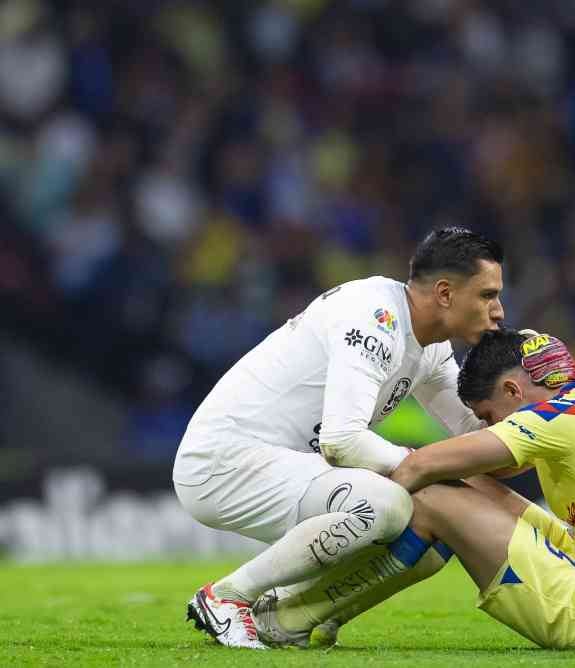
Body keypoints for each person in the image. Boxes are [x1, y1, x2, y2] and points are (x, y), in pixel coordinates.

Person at [174, 227, 505, 648]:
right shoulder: (374, 317)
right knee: (384, 504)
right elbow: (342, 441)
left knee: (439, 525)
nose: (498, 310)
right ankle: (224, 597)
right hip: (225, 459)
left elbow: (480, 441)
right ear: (444, 293)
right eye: (487, 295)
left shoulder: (431, 346)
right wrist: (420, 465)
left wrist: (538, 415)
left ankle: (287, 616)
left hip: (285, 464)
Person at [258, 329, 575, 650]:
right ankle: (323, 614)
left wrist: (359, 507)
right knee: (461, 485)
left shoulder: (556, 418)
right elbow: (488, 470)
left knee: (429, 492)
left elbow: (423, 467)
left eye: (487, 415)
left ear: (514, 390)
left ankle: (296, 614)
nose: (487, 427)